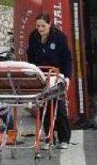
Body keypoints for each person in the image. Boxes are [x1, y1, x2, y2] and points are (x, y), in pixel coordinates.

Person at [27, 13, 72, 149]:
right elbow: (31, 57)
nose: (40, 29)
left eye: (43, 26)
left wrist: (67, 77)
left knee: (58, 106)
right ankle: (49, 137)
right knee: (43, 106)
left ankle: (64, 138)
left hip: (56, 74)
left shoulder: (59, 37)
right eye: (38, 26)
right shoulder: (33, 37)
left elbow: (66, 58)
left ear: (49, 24)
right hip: (41, 74)